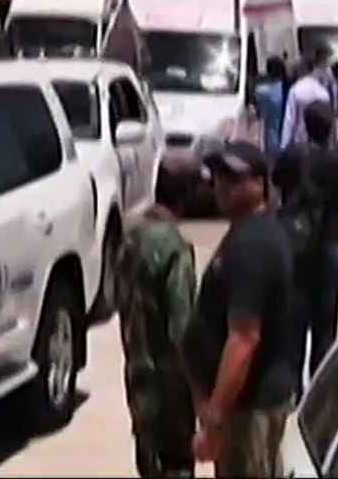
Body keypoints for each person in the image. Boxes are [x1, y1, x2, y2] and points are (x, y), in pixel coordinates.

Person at [180, 141, 294, 478]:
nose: (221, 184)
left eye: (233, 176)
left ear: (260, 184)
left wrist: (215, 418)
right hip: (243, 407)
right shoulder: (248, 233)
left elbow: (244, 338)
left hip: (248, 410)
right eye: (217, 175)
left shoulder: (253, 246)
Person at [272, 101, 338, 400]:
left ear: (305, 124)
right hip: (332, 248)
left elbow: (277, 192)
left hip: (296, 250)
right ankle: (319, 393)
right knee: (326, 324)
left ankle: (291, 389)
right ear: (331, 126)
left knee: (292, 324)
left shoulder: (292, 156)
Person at [114, 171, 197, 479]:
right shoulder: (174, 249)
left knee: (148, 461)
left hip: (138, 373)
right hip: (169, 385)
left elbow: (114, 297)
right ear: (184, 202)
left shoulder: (130, 238)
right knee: (175, 464)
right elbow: (182, 326)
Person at [280, 46, 331, 149]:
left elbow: (290, 120)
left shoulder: (296, 89)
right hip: (318, 145)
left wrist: (284, 146)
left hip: (298, 143)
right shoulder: (323, 94)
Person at [254, 56, 286, 162]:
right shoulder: (289, 89)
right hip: (288, 137)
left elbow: (258, 113)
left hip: (271, 139)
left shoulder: (262, 91)